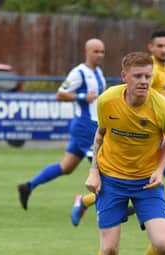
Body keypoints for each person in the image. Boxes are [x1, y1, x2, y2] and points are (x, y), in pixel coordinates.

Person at [71, 30, 165, 252]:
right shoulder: (147, 70)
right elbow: (152, 99)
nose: (164, 49)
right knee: (136, 183)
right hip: (148, 143)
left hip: (161, 139)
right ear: (150, 48)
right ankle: (86, 201)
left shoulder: (163, 68)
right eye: (160, 46)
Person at [86, 51, 165, 255]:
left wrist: (160, 170)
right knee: (109, 249)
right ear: (124, 76)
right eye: (137, 76)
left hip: (146, 182)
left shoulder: (164, 109)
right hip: (111, 179)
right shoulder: (107, 101)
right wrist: (94, 172)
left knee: (163, 245)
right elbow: (101, 134)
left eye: (148, 76)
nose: (143, 81)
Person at [17, 38, 106, 210]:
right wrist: (81, 97)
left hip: (89, 125)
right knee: (101, 168)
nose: (99, 55)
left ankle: (28, 186)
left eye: (102, 52)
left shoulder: (99, 72)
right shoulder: (78, 72)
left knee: (66, 167)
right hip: (85, 126)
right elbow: (60, 94)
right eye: (96, 51)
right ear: (87, 52)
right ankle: (108, 205)